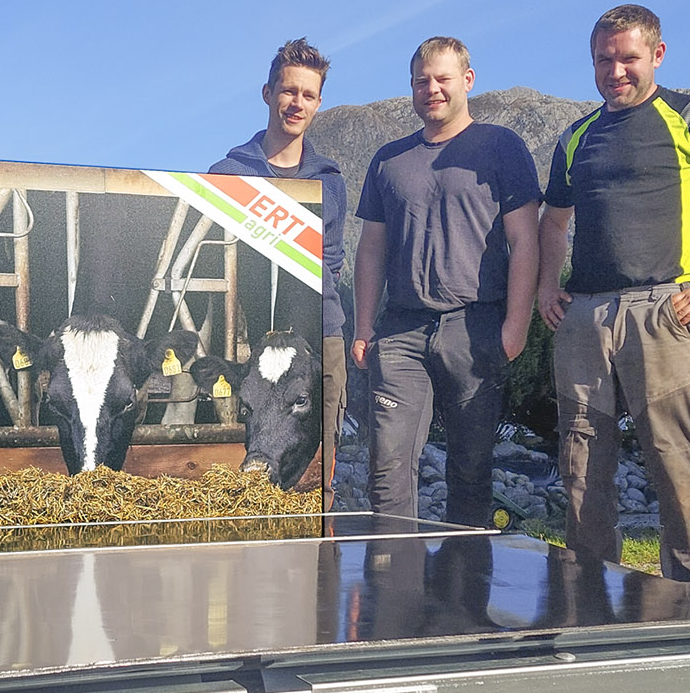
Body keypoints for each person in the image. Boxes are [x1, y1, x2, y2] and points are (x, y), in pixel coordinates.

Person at [535, 4, 690, 587]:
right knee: (582, 463)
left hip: (660, 314)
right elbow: (552, 221)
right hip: (585, 317)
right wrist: (549, 284)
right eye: (603, 59)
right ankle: (591, 587)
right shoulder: (576, 136)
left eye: (628, 58)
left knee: (677, 459)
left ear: (658, 55)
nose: (615, 71)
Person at [352, 36, 540, 526]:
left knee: (471, 471)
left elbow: (526, 241)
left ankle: (464, 593)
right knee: (387, 471)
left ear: (467, 81)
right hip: (400, 331)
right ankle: (393, 590)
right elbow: (371, 248)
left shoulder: (501, 148)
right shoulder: (388, 160)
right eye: (421, 81)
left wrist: (516, 327)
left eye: (442, 79)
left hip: (476, 326)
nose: (431, 89)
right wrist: (364, 326)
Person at [209, 38, 347, 509]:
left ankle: (315, 566)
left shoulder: (330, 180)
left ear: (319, 103)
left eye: (308, 95)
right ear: (268, 93)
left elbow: (332, 261)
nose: (297, 103)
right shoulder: (226, 173)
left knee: (319, 471)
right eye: (289, 91)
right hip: (246, 337)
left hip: (319, 336)